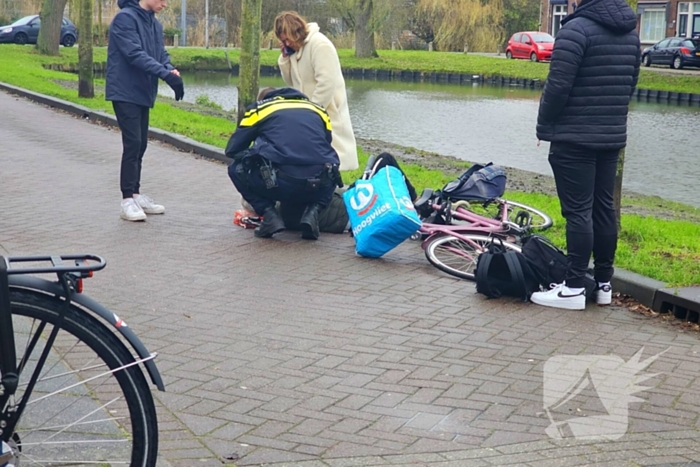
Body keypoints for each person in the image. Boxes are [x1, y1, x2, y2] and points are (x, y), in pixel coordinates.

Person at [530, 0, 641, 311]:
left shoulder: (575, 30)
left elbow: (557, 87)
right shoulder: (630, 33)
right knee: (603, 208)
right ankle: (604, 284)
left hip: (573, 137)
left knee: (578, 211)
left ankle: (574, 287)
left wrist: (544, 128)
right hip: (611, 137)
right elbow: (631, 83)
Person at [226, 87, 342, 240]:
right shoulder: (319, 110)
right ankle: (312, 212)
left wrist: (258, 151)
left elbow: (233, 149)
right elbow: (324, 145)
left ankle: (269, 215)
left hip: (277, 183)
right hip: (317, 185)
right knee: (331, 170)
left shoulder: (260, 108)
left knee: (236, 168)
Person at [106, 0, 185, 222]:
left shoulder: (155, 25)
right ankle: (126, 200)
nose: (166, 4)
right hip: (124, 91)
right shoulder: (124, 19)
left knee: (141, 144)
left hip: (143, 91)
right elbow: (134, 54)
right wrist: (164, 74)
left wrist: (170, 70)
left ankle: (137, 194)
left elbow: (160, 54)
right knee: (132, 143)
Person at [274, 11, 359, 172]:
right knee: (315, 161)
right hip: (310, 116)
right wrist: (285, 57)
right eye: (282, 41)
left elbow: (326, 83)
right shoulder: (296, 49)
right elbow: (291, 81)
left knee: (332, 159)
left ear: (295, 32)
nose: (286, 43)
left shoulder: (320, 45)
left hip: (327, 112)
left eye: (287, 39)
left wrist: (312, 112)